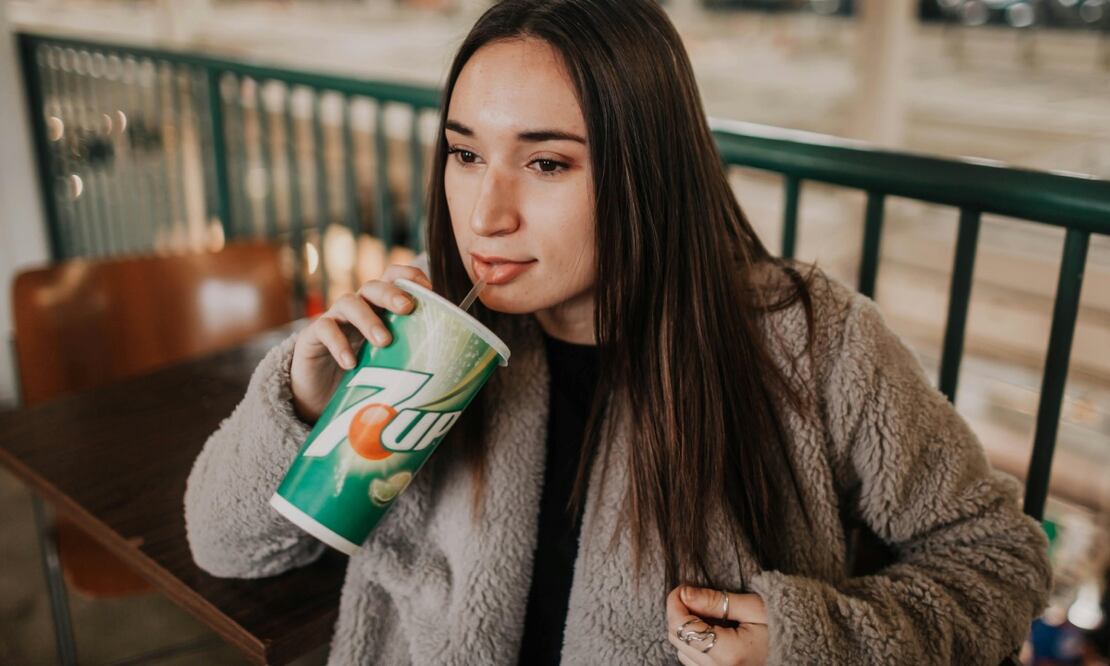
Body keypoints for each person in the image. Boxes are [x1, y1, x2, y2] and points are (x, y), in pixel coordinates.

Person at [183, 0, 1052, 663]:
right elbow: (227, 547)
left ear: (647, 169)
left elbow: (999, 562)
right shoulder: (425, 335)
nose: (486, 214)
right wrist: (302, 395)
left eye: (548, 162)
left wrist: (808, 639)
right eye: (465, 153)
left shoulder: (813, 342)